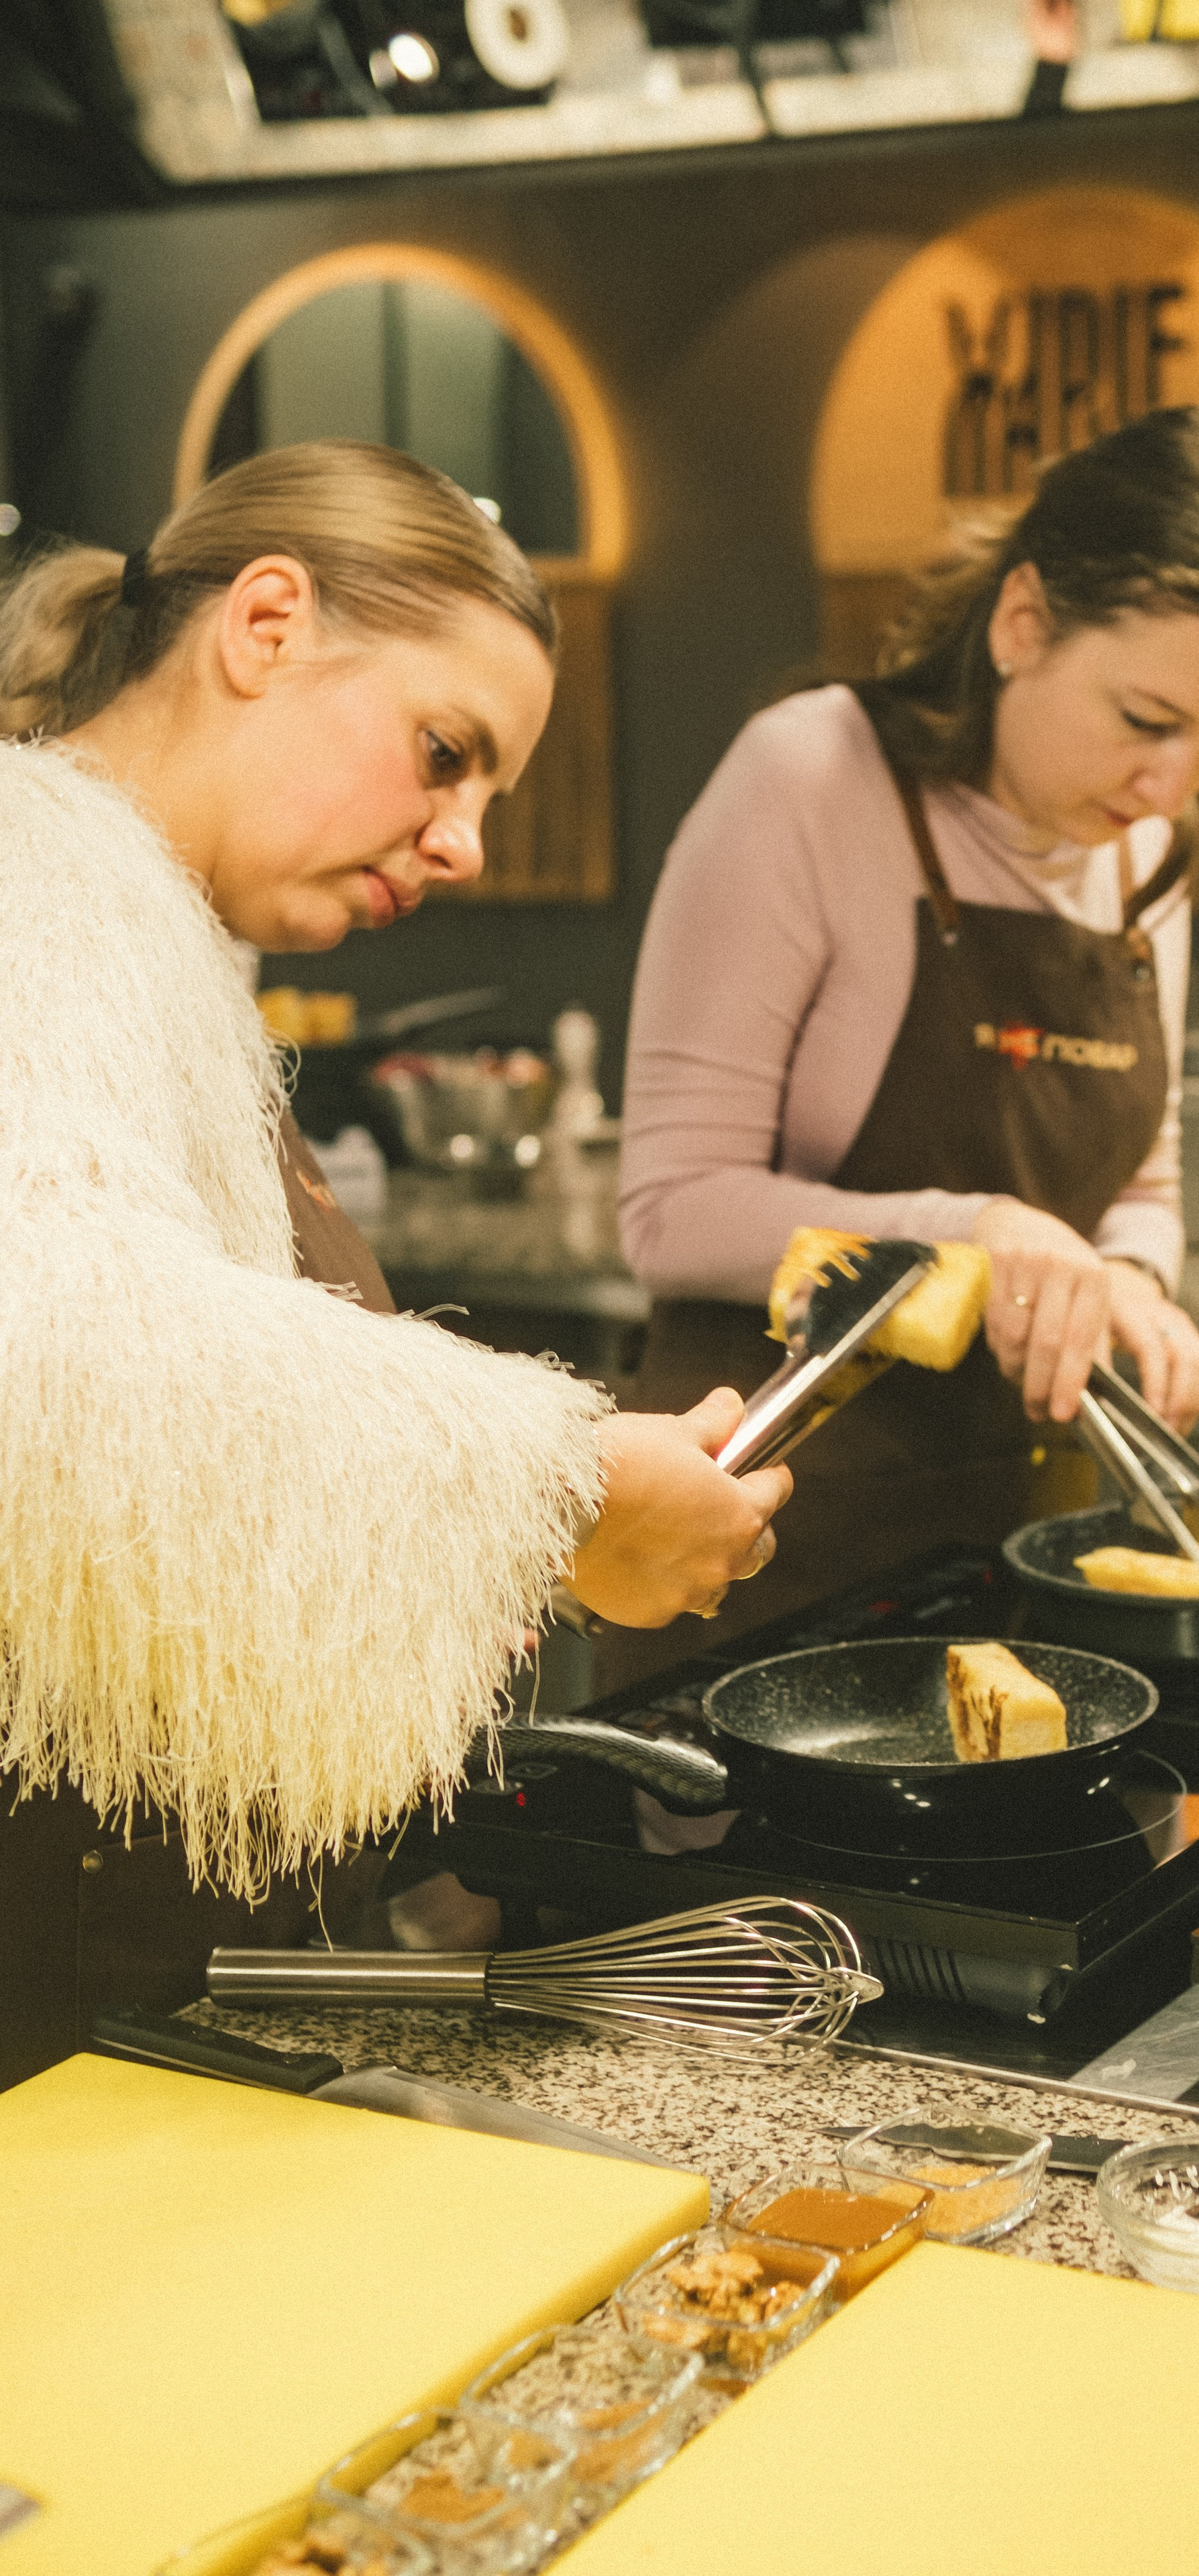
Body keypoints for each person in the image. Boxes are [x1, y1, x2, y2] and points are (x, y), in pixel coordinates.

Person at [0, 441, 790, 2043]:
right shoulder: (39, 878)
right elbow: (64, 1354)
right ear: (267, 626)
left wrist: (461, 1543)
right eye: (445, 753)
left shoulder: (146, 919)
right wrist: (557, 1484)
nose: (465, 843)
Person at [617, 406, 1199, 1665]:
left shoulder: (1148, 849)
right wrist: (980, 1233)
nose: (1173, 789)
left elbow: (1144, 1184)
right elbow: (670, 1211)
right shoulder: (812, 780)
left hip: (1032, 1543)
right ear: (1022, 625)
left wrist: (1128, 1279)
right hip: (775, 1541)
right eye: (1147, 719)